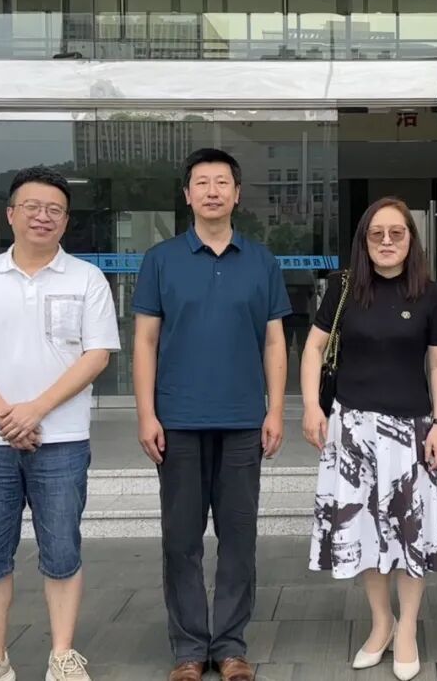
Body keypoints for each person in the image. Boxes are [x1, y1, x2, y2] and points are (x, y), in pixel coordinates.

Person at [0, 166, 120, 681]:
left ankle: (62, 654)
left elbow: (97, 355)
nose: (44, 216)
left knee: (62, 549)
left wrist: (35, 410)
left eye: (55, 209)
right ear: (11, 214)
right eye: (33, 207)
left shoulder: (87, 279)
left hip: (62, 440)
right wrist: (6, 416)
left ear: (66, 220)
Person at [132, 148, 290, 681]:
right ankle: (188, 650)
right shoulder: (161, 259)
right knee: (181, 540)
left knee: (238, 538)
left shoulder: (262, 261)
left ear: (237, 194)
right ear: (187, 194)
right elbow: (145, 341)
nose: (213, 191)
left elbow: (274, 341)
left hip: (244, 420)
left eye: (222, 182)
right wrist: (146, 413)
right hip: (177, 421)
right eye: (202, 182)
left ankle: (230, 647)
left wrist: (275, 410)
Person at [300, 196, 437, 681]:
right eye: (377, 234)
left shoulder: (430, 294)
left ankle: (407, 627)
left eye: (397, 233)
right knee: (365, 530)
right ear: (364, 241)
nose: (387, 241)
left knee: (411, 531)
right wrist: (311, 407)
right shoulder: (344, 288)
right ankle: (381, 622)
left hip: (412, 431)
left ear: (411, 239)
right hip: (352, 428)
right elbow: (314, 348)